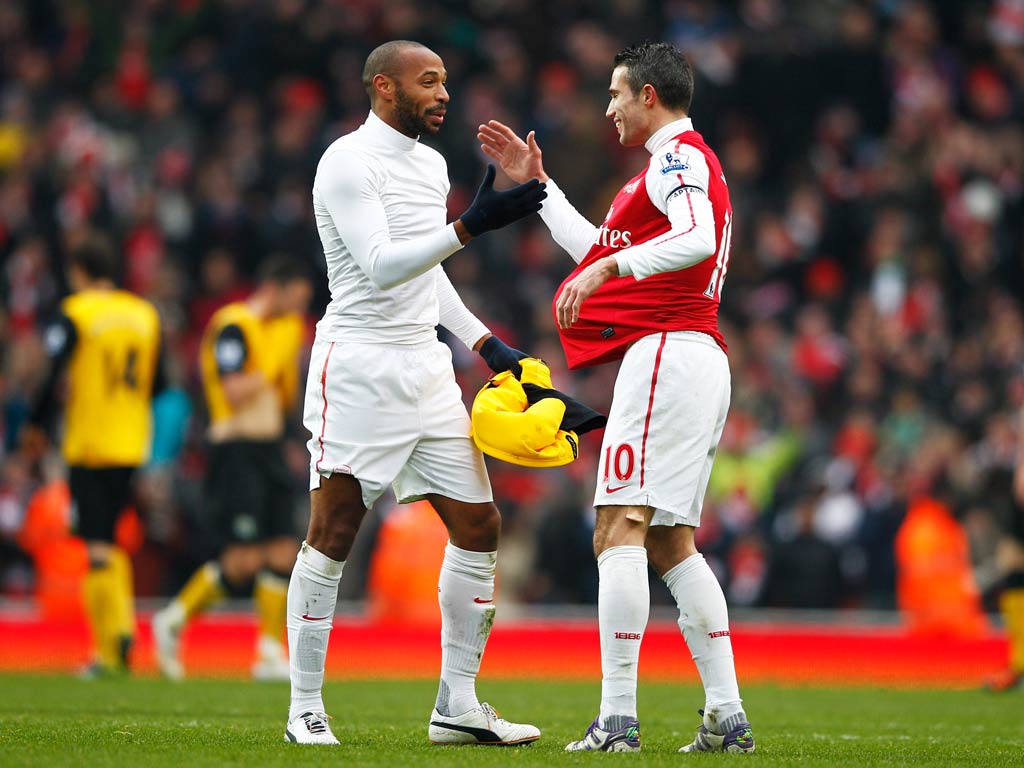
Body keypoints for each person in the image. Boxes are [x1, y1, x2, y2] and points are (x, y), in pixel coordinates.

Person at [478, 41, 755, 753]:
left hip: (667, 352)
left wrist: (609, 275)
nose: (607, 108)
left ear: (650, 97)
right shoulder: (665, 172)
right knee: (669, 539)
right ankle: (725, 716)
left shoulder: (675, 159)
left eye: (616, 94)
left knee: (617, 527)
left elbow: (695, 239)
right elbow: (598, 250)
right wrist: (539, 188)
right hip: (693, 356)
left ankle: (618, 720)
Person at [283, 40, 546, 746]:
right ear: (383, 88)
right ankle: (304, 707)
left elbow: (427, 275)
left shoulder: (430, 165)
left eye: (445, 81)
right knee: (334, 531)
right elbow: (381, 267)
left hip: (424, 368)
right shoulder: (346, 162)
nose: (444, 94)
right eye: (427, 82)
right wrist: (472, 226)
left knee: (480, 525)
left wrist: (487, 345)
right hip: (360, 365)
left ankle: (456, 704)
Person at [152, 256, 313, 681]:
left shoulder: (286, 329)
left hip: (270, 449)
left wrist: (292, 441)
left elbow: (284, 397)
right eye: (295, 300)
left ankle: (267, 651)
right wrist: (274, 364)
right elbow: (236, 389)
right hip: (235, 449)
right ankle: (173, 618)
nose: (298, 311)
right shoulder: (233, 325)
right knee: (241, 559)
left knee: (282, 549)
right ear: (276, 288)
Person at [25, 233, 165, 675]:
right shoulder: (144, 315)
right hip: (131, 439)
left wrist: (36, 424)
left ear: (78, 271)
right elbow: (159, 383)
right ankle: (120, 635)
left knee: (96, 544)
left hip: (89, 439)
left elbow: (52, 372)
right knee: (110, 539)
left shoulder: (76, 313)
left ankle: (110, 645)